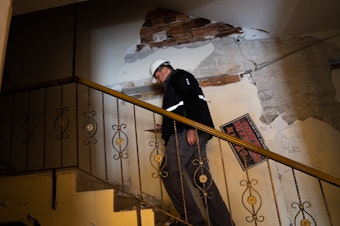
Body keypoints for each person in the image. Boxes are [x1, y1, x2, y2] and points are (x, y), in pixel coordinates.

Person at [150, 59, 235, 226]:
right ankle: (224, 223)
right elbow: (181, 108)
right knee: (201, 178)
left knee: (168, 171)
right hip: (187, 130)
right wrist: (165, 127)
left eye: (157, 78)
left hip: (186, 132)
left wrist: (191, 126)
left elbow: (191, 98)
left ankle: (193, 220)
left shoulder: (179, 76)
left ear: (161, 71)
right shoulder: (176, 83)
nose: (159, 82)